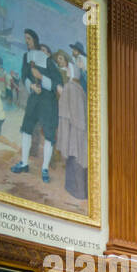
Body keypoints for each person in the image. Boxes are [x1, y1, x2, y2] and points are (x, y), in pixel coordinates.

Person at [10, 29, 61, 184]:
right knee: (26, 129)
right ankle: (24, 163)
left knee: (48, 135)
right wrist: (31, 85)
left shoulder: (47, 60)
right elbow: (24, 75)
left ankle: (44, 168)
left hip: (48, 102)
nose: (27, 41)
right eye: (25, 39)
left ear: (35, 40)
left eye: (29, 39)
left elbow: (57, 84)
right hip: (34, 99)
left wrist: (41, 78)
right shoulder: (26, 57)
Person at [54, 49, 87, 199]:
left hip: (73, 131)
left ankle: (76, 191)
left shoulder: (69, 88)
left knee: (74, 161)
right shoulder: (81, 90)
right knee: (81, 161)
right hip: (81, 131)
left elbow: (64, 115)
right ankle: (81, 192)